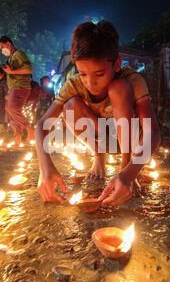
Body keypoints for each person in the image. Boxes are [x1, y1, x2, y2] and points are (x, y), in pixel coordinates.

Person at [35, 20, 161, 206]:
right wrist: (45, 168)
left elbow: (153, 133)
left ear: (117, 64)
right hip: (101, 139)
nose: (90, 83)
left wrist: (130, 172)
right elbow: (41, 126)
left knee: (118, 88)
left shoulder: (132, 80)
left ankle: (124, 166)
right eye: (83, 73)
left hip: (131, 142)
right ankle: (99, 156)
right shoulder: (74, 85)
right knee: (69, 105)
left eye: (99, 74)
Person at [0, 36, 34, 145]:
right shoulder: (11, 57)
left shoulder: (19, 54)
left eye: (2, 47)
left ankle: (29, 129)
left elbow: (29, 69)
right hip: (13, 88)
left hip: (20, 87)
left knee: (12, 108)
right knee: (10, 111)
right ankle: (17, 135)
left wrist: (11, 72)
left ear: (8, 44)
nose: (1, 50)